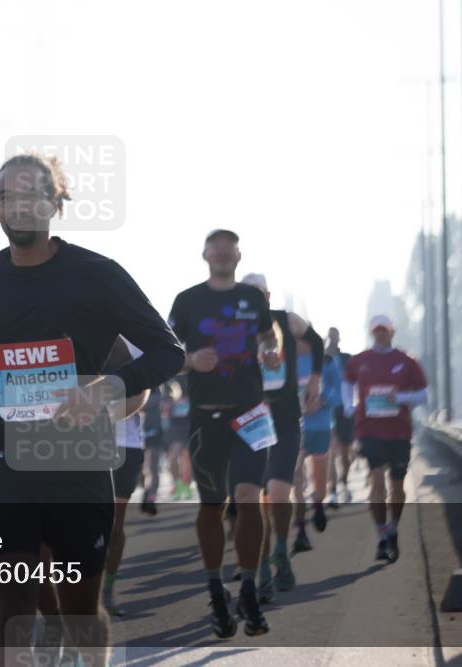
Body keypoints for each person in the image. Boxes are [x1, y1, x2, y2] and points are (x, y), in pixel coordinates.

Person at [0, 153, 183, 666]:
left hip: (76, 462)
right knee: (13, 612)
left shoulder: (96, 274)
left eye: (34, 193)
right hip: (4, 466)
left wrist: (104, 389)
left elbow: (170, 352)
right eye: (9, 195)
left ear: (56, 202)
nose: (21, 204)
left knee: (79, 613)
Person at [168, 230, 278, 638]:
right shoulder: (187, 301)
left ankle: (248, 587)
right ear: (204, 255)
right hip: (206, 417)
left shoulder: (252, 299)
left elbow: (269, 334)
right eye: (215, 246)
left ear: (238, 254)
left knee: (250, 498)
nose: (222, 252)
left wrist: (270, 350)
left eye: (229, 246)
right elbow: (166, 354)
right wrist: (192, 359)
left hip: (251, 412)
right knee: (213, 506)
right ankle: (216, 591)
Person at [238, 273, 323, 603]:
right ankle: (260, 566)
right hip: (250, 421)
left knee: (277, 493)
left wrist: (314, 379)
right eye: (249, 294)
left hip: (286, 419)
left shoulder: (286, 321)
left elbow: (314, 341)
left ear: (268, 295)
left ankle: (280, 550)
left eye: (260, 293)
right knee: (252, 498)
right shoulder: (233, 331)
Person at [342, 315, 428, 563]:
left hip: (399, 431)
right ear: (372, 333)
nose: (380, 334)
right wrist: (350, 405)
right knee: (377, 479)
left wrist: (399, 399)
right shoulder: (360, 360)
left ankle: (393, 528)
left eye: (384, 331)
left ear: (392, 331)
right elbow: (346, 382)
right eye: (376, 331)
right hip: (368, 429)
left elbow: (423, 394)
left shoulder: (406, 361)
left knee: (397, 486)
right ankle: (381, 534)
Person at [102, 336, 150, 617]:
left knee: (113, 525)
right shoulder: (68, 332)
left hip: (124, 444)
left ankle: (107, 589)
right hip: (76, 444)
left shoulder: (133, 341)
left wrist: (106, 415)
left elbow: (142, 392)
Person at [291, 336, 343, 552]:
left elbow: (340, 393)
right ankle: (301, 530)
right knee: (297, 479)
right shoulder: (286, 360)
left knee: (319, 479)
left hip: (320, 426)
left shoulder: (326, 361)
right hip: (294, 427)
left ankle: (319, 503)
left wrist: (322, 401)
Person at [325, 327, 355, 507]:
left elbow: (353, 382)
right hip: (329, 410)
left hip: (345, 410)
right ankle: (333, 490)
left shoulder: (347, 358)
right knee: (331, 451)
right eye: (330, 336)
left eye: (335, 336)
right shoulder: (322, 358)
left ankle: (344, 480)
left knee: (345, 453)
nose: (333, 339)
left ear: (339, 338)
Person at [140, 384, 164, 516]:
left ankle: (151, 499)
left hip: (154, 432)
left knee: (153, 468)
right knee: (141, 470)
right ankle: (146, 493)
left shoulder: (156, 385)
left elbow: (146, 405)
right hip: (135, 435)